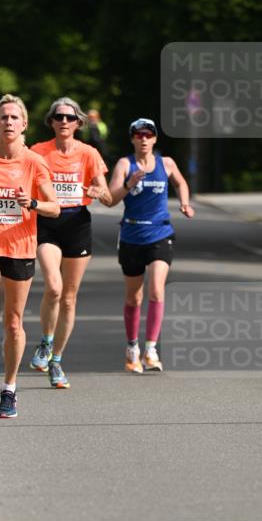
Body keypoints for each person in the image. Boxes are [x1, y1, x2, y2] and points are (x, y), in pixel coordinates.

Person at [0, 94, 59, 418]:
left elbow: (54, 206)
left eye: (14, 118)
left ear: (24, 124)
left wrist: (31, 203)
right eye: (3, 117)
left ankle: (10, 389)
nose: (8, 123)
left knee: (14, 323)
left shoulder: (34, 162)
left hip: (19, 247)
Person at [28, 97, 109, 388]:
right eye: (59, 116)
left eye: (70, 117)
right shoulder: (38, 151)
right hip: (47, 222)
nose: (64, 121)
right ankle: (46, 343)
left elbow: (108, 196)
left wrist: (99, 190)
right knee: (54, 287)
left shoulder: (88, 153)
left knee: (70, 296)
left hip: (77, 223)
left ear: (79, 123)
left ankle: (57, 360)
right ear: (51, 121)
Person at [105, 118, 194, 373]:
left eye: (148, 134)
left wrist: (185, 203)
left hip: (160, 233)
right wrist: (129, 184)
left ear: (154, 139)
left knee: (156, 290)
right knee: (134, 296)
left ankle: (151, 349)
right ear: (132, 139)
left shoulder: (166, 163)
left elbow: (180, 182)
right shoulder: (125, 164)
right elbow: (111, 200)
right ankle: (132, 347)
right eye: (138, 135)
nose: (143, 139)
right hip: (132, 235)